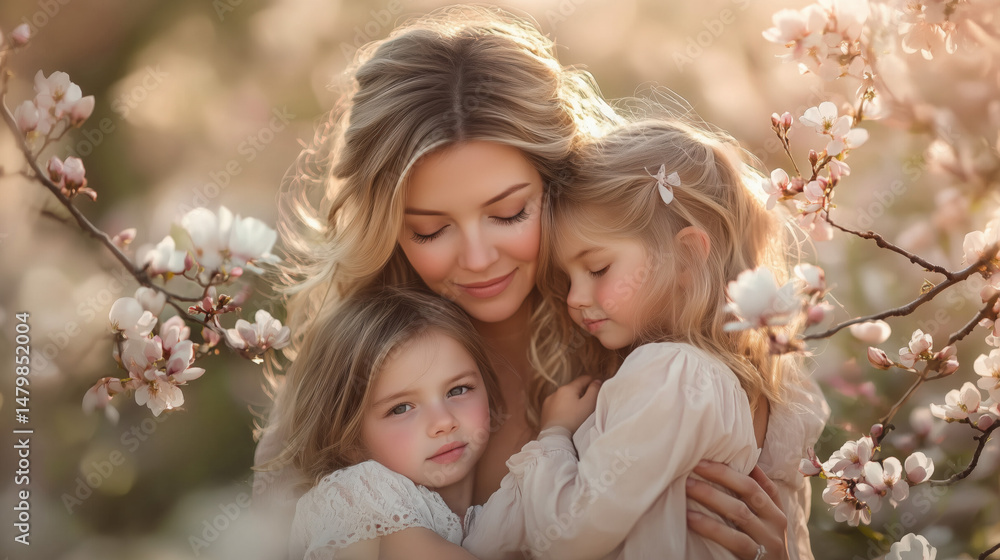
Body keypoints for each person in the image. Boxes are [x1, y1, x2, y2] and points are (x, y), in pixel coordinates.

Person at [255, 6, 802, 557]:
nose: (476, 258)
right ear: (389, 231)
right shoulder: (352, 374)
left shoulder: (690, 366)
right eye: (430, 230)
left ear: (558, 187)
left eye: (509, 213)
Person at [462, 118, 829, 560]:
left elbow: (566, 536)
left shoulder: (672, 373)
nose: (575, 299)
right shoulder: (783, 393)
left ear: (688, 255)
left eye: (598, 269)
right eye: (566, 278)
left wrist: (554, 435)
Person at [275, 287, 502, 559]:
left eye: (458, 390)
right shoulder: (358, 495)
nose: (444, 422)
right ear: (350, 441)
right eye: (401, 408)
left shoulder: (491, 512)